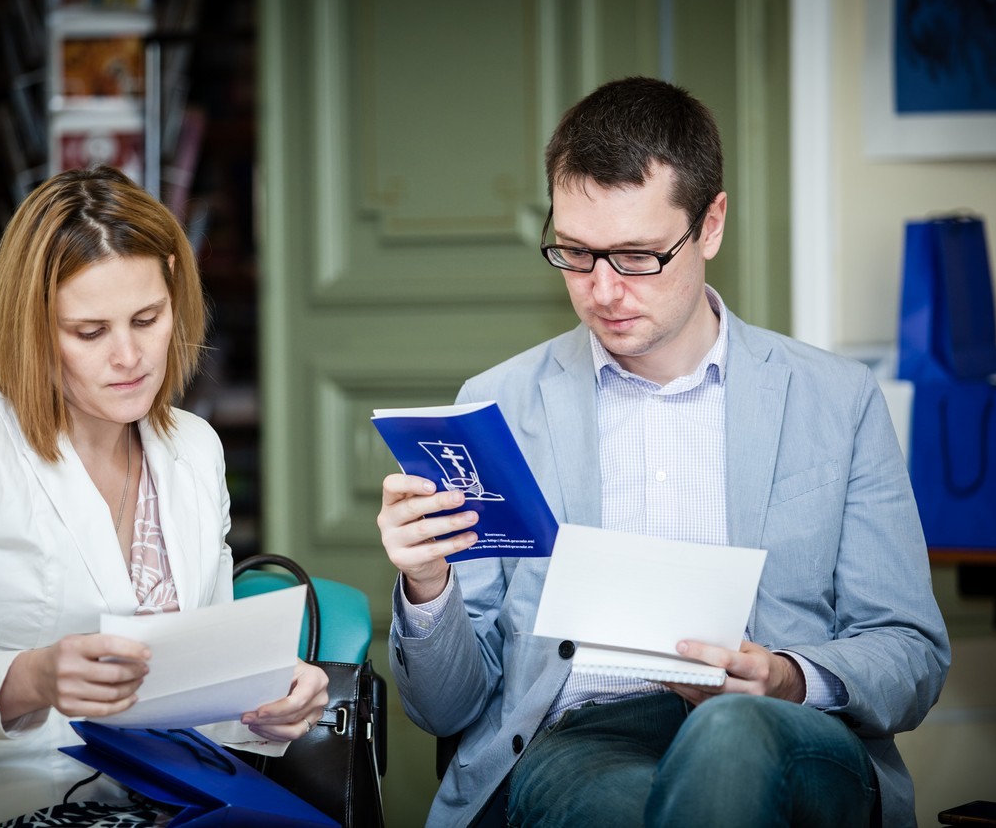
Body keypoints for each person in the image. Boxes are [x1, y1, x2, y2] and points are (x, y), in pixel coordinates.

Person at [377, 77, 950, 828]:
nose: (602, 290)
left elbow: (910, 651)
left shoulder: (835, 401)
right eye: (575, 252)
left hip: (786, 727)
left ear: (711, 225)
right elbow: (445, 709)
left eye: (637, 256)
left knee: (731, 735)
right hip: (586, 742)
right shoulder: (500, 407)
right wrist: (428, 587)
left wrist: (786, 676)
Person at [0, 165, 329, 828]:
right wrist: (32, 678)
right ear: (34, 325)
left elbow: (202, 688)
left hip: (166, 802)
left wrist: (271, 699)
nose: (129, 356)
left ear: (174, 284)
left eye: (147, 318)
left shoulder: (194, 448)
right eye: (90, 331)